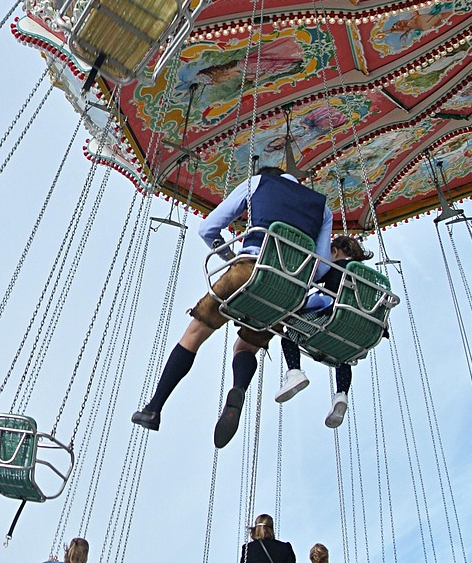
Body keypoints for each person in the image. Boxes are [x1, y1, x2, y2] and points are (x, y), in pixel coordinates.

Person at [132, 166, 332, 449]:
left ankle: (154, 407)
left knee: (194, 334)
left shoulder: (258, 183)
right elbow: (322, 267)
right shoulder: (323, 209)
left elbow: (208, 228)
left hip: (249, 269)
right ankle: (237, 390)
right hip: (289, 291)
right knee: (245, 347)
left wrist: (228, 255)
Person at [277, 234, 373, 428]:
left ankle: (294, 372)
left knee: (289, 333)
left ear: (335, 251)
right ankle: (341, 395)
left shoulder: (335, 269)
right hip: (361, 328)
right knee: (342, 357)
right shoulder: (365, 274)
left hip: (333, 318)